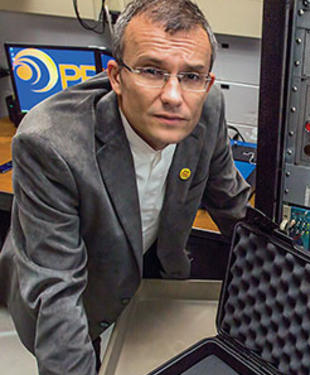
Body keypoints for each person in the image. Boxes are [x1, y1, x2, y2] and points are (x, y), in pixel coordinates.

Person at [0, 0, 250, 373]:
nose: (173, 96)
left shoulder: (208, 107)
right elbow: (57, 289)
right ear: (116, 76)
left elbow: (234, 208)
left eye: (191, 76)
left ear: (207, 81)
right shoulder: (49, 145)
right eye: (152, 71)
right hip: (79, 297)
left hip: (151, 276)